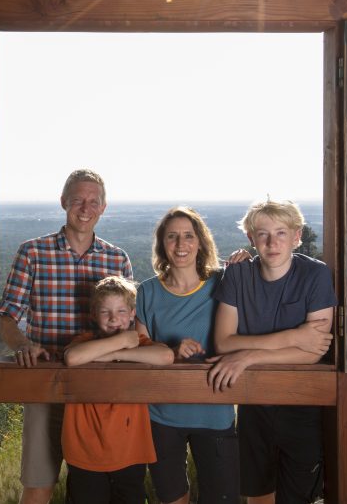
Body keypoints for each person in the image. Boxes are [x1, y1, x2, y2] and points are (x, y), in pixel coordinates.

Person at [0, 169, 134, 504]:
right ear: (63, 203)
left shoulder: (117, 259)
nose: (85, 208)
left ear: (103, 207)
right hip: (47, 384)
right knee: (39, 483)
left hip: (99, 390)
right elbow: (7, 318)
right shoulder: (33, 253)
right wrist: (23, 344)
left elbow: (130, 327)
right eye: (77, 200)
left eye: (93, 201)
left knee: (95, 489)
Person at [208, 199, 337, 504]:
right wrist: (294, 336)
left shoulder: (315, 275)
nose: (272, 242)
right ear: (251, 239)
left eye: (281, 233)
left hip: (303, 404)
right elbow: (224, 343)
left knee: (298, 495)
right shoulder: (238, 275)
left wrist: (251, 355)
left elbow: (314, 351)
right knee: (258, 495)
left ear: (296, 236)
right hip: (254, 405)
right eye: (262, 234)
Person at [135, 206, 240, 504]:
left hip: (215, 412)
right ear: (162, 244)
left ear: (200, 242)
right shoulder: (146, 293)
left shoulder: (223, 283)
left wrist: (246, 261)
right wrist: (171, 350)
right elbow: (139, 350)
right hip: (162, 415)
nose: (181, 245)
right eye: (172, 237)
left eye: (188, 236)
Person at [61, 275, 174, 504]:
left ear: (133, 313)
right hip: (85, 452)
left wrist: (116, 353)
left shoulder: (140, 344)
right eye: (105, 312)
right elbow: (73, 357)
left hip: (130, 451)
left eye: (122, 311)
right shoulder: (84, 341)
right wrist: (123, 340)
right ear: (94, 314)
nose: (114, 319)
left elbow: (166, 355)